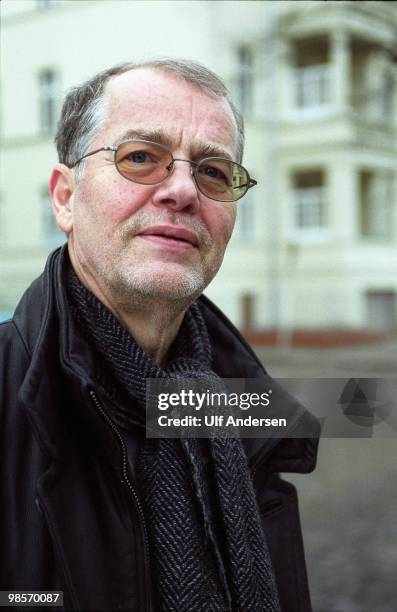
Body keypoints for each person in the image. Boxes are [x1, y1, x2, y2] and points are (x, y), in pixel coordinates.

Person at [0, 59, 318, 611]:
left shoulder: (245, 405)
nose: (182, 191)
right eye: (141, 157)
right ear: (65, 198)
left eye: (214, 172)